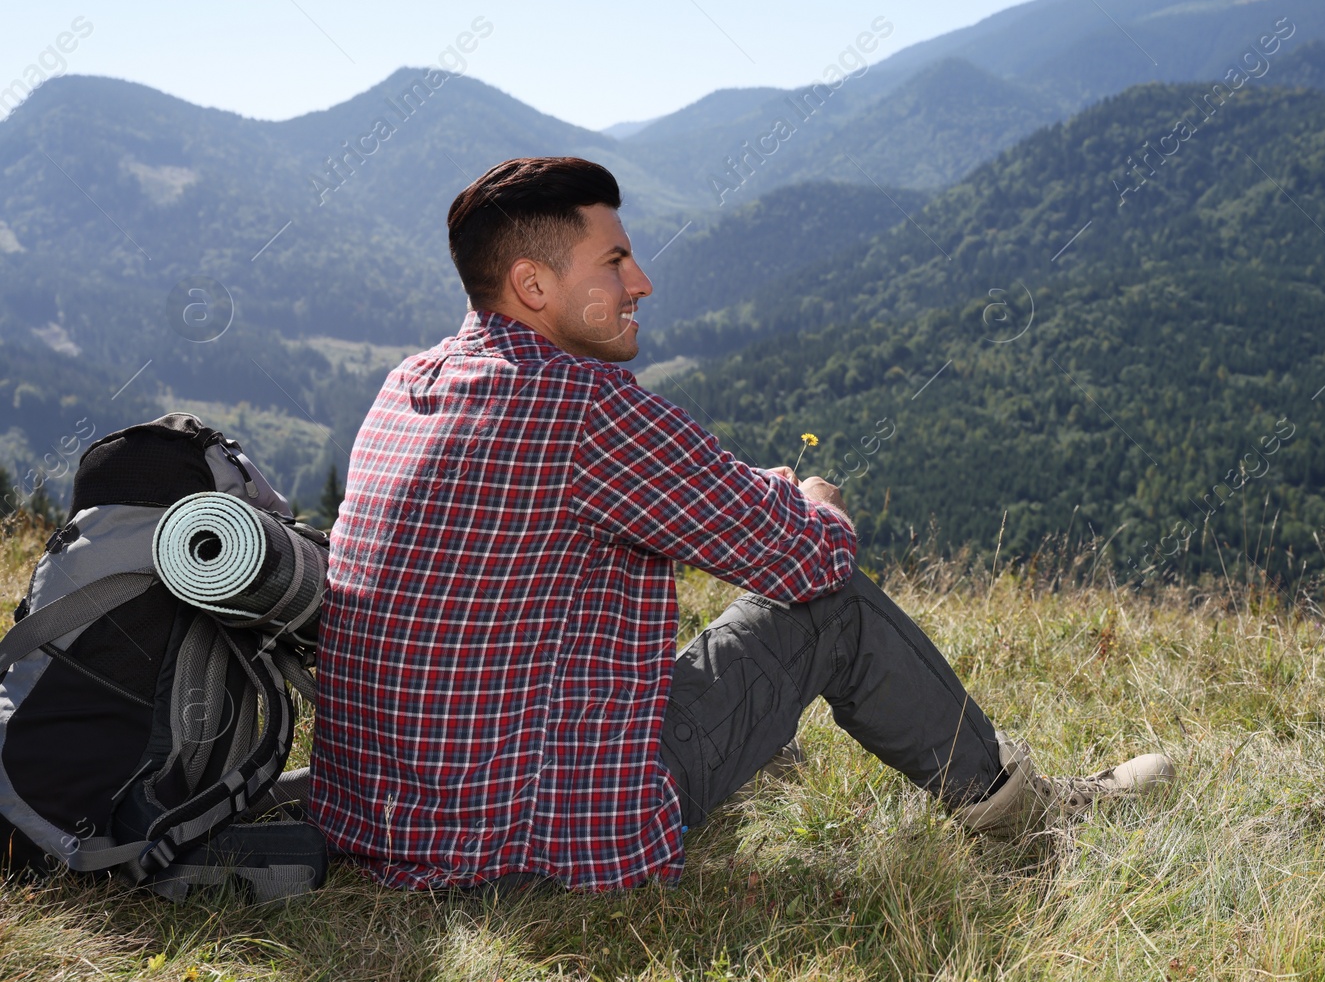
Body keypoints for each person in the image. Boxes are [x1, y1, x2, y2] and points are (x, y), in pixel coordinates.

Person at [305, 156, 1174, 892]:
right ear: (534, 284)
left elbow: (643, 495)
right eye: (614, 262)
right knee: (831, 606)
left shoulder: (413, 384)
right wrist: (816, 502)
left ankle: (777, 753)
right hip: (533, 843)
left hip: (385, 821)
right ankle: (1023, 810)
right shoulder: (583, 408)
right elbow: (805, 559)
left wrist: (752, 492)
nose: (639, 280)